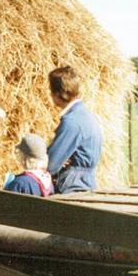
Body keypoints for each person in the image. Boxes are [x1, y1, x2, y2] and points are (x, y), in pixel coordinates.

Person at [47, 66, 103, 194]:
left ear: (57, 94)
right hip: (86, 181)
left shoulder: (71, 121)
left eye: (50, 90)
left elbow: (51, 164)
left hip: (72, 184)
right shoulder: (86, 114)